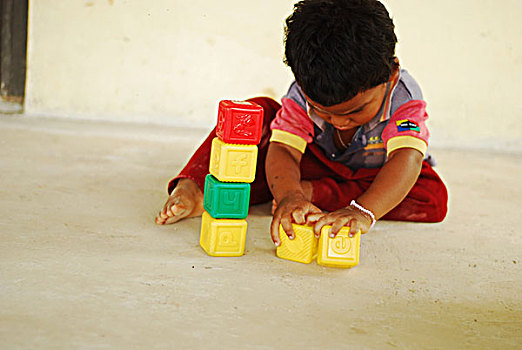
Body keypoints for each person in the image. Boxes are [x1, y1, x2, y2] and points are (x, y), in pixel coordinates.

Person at [155, 0, 448, 247]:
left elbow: (406, 157)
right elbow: (283, 149)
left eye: (355, 111)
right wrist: (289, 195)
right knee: (256, 114)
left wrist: (362, 212)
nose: (339, 123)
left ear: (392, 73)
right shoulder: (300, 93)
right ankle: (195, 187)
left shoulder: (403, 97)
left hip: (373, 174)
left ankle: (315, 194)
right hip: (311, 161)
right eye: (323, 111)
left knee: (430, 196)